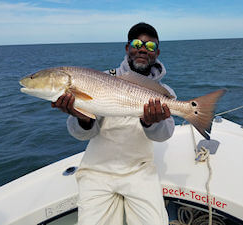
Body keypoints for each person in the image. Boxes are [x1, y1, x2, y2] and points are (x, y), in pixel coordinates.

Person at [52, 22, 176, 225]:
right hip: (97, 170)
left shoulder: (164, 92)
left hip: (140, 171)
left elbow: (164, 135)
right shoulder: (99, 79)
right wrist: (82, 118)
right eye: (137, 44)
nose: (143, 49)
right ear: (127, 48)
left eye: (150, 46)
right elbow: (81, 135)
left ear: (157, 53)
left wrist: (149, 123)